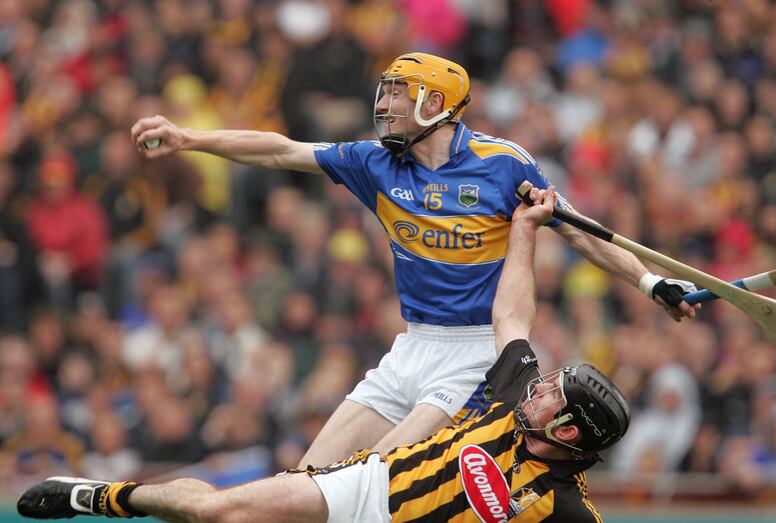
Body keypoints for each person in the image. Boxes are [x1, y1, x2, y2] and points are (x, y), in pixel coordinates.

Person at [130, 52, 697, 467]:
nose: (384, 104)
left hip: (478, 350)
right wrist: (188, 137)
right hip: (411, 344)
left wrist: (649, 282)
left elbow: (583, 235)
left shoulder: (504, 164)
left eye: (398, 94)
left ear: (435, 102)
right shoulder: (374, 162)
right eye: (385, 92)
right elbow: (281, 150)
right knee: (307, 476)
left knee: (375, 475)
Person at [19, 187, 631, 522]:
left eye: (555, 391)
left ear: (570, 428)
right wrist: (523, 229)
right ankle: (102, 497)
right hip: (369, 488)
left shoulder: (569, 514)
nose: (542, 384)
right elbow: (512, 313)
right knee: (225, 514)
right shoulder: (516, 391)